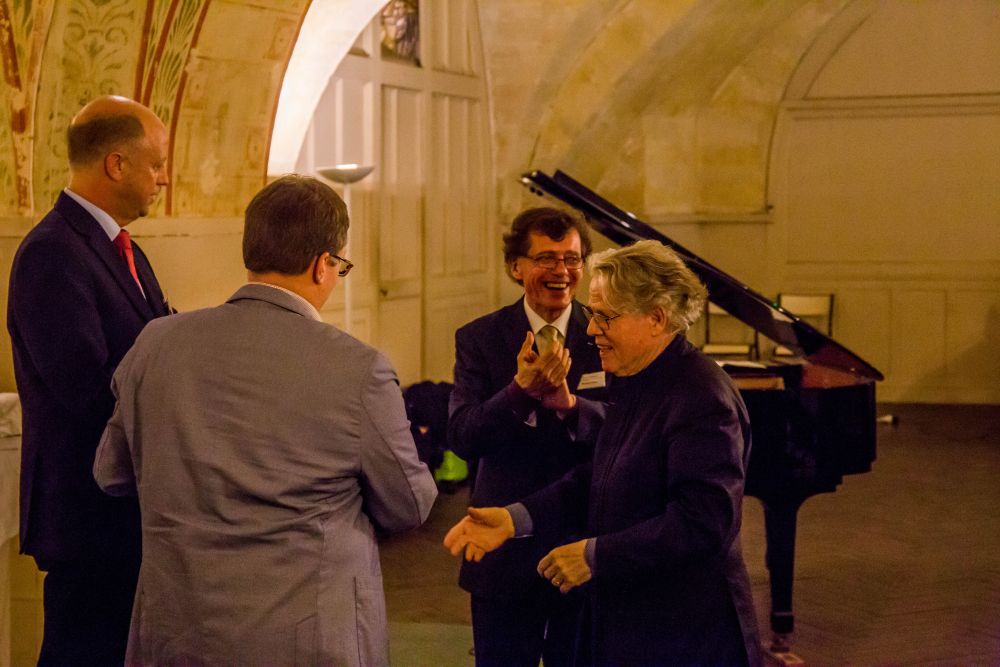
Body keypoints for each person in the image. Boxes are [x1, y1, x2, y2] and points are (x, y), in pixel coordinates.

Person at [93, 174, 438, 666]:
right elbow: (408, 503)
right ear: (323, 265)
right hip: (308, 639)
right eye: (340, 266)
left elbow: (111, 473)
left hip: (178, 632)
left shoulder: (155, 344)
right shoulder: (358, 369)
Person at [446, 240, 763, 667]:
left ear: (656, 318)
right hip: (635, 625)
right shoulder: (638, 377)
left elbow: (703, 522)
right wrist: (514, 518)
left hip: (686, 635)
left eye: (605, 316)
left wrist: (594, 556)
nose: (591, 329)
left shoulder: (701, 395)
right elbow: (599, 476)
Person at [7, 95, 172, 665]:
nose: (164, 179)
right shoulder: (52, 252)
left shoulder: (124, 249)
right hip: (87, 515)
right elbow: (86, 389)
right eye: (156, 165)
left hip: (125, 510)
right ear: (116, 164)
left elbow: (158, 343)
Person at [448, 207, 608, 667]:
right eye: (546, 259)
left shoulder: (603, 333)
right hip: (503, 549)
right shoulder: (480, 338)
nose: (561, 271)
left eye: (572, 259)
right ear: (515, 268)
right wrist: (519, 392)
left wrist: (570, 405)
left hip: (583, 542)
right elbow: (462, 437)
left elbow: (627, 431)